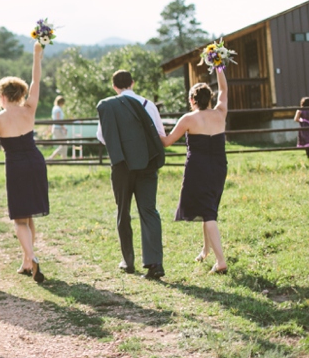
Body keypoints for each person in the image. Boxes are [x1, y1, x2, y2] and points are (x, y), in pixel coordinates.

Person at [0, 41, 49, 283]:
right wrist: (36, 55)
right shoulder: (29, 109)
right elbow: (36, 82)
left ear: (1, 96)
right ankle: (26, 261)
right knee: (28, 216)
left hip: (17, 166)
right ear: (20, 94)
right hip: (36, 161)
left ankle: (32, 258)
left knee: (20, 218)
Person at [96, 70, 166, 279]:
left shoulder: (109, 106)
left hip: (122, 166)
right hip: (147, 165)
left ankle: (128, 261)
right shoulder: (148, 105)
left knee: (123, 211)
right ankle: (155, 264)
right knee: (149, 211)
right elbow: (160, 134)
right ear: (133, 83)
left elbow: (102, 136)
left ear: (114, 86)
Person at [160, 69, 229, 274]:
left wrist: (152, 127)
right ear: (211, 98)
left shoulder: (188, 119)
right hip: (219, 167)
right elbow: (224, 88)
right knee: (209, 208)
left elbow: (167, 141)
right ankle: (206, 250)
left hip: (198, 169)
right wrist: (219, 67)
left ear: (192, 100)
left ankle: (221, 261)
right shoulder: (220, 112)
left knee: (208, 213)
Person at [47, 96, 67, 160]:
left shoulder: (55, 108)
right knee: (64, 144)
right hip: (58, 129)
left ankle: (64, 158)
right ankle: (52, 157)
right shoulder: (58, 109)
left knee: (64, 144)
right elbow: (58, 120)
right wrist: (64, 128)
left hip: (57, 128)